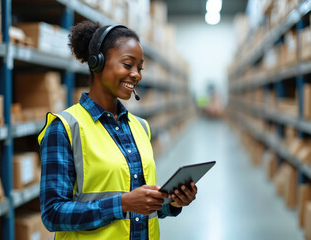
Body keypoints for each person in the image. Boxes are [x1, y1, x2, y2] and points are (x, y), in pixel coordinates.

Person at [38, 21, 198, 240]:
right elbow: (52, 214)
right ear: (98, 63)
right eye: (128, 64)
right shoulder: (65, 127)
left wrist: (172, 202)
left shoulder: (140, 126)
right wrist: (122, 204)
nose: (136, 74)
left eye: (140, 68)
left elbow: (142, 208)